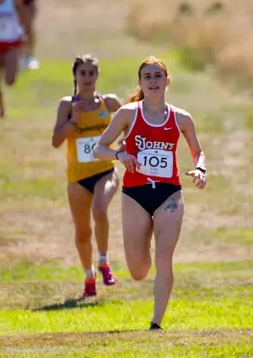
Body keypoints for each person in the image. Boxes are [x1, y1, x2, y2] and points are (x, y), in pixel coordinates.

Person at [93, 56, 207, 331]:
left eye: (158, 76)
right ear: (141, 83)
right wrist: (120, 154)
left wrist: (200, 169)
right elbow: (100, 149)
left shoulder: (181, 118)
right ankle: (144, 244)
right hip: (135, 194)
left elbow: (197, 151)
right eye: (148, 77)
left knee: (164, 257)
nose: (153, 81)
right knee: (138, 271)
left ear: (167, 81)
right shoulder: (128, 113)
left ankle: (156, 323)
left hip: (169, 194)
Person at [51, 55, 121, 297]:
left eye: (92, 73)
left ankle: (104, 261)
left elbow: (131, 122)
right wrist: (74, 121)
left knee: (100, 209)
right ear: (75, 76)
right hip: (78, 178)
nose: (87, 78)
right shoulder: (67, 105)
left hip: (105, 170)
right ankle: (89, 278)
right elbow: (56, 141)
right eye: (83, 73)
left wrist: (126, 143)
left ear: (97, 76)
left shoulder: (109, 103)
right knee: (82, 232)